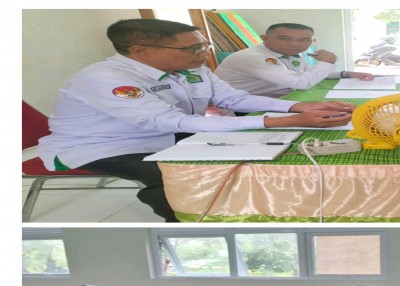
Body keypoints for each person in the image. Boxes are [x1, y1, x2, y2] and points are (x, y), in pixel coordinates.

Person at [37, 19, 355, 222]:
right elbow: (170, 121)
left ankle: (246, 205)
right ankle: (183, 222)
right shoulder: (105, 78)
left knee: (254, 151)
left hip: (171, 132)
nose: (203, 54)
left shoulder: (192, 68)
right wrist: (274, 122)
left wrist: (297, 107)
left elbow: (233, 99)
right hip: (104, 147)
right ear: (139, 50)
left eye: (203, 45)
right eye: (192, 48)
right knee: (180, 176)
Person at [215, 23, 375, 98]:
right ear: (265, 38)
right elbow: (301, 83)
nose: (294, 44)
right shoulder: (253, 57)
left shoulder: (288, 52)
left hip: (279, 97)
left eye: (304, 40)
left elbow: (305, 73)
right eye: (283, 38)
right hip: (244, 107)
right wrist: (326, 62)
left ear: (313, 41)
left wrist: (346, 73)